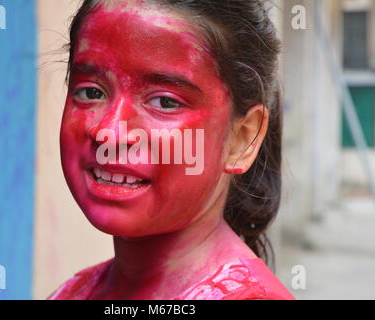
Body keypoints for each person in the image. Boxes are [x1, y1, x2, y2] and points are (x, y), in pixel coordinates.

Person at [49, 0, 295, 300]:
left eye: (165, 102)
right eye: (91, 92)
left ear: (242, 138)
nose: (110, 133)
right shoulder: (72, 292)